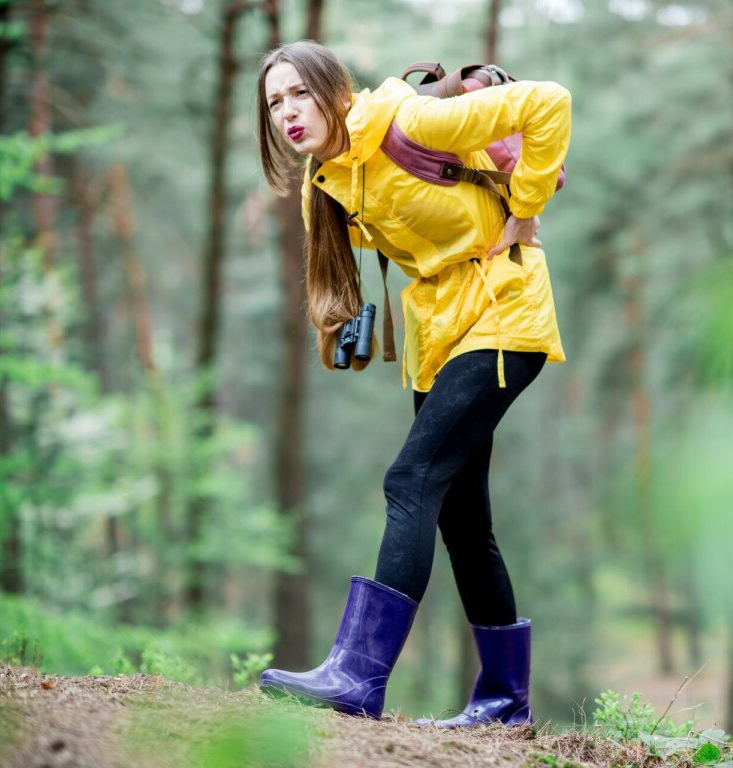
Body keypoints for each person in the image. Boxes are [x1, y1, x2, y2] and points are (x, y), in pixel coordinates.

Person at [256, 40, 571, 726]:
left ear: (335, 90)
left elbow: (550, 103)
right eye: (275, 102)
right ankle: (505, 703)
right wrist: (340, 328)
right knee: (463, 520)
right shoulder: (326, 184)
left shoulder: (409, 125)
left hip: (503, 312)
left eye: (299, 94)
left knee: (411, 478)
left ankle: (358, 675)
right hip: (438, 337)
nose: (287, 112)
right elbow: (341, 273)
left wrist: (526, 202)